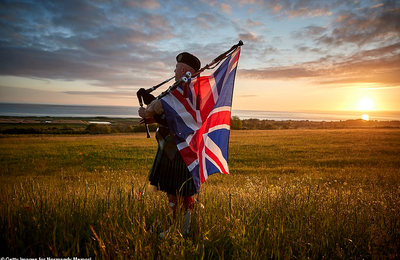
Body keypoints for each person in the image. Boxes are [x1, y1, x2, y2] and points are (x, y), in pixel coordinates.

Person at [138, 52, 201, 238]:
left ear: (183, 70)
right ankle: (180, 226)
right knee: (174, 191)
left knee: (178, 191)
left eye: (176, 68)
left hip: (178, 148)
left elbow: (162, 107)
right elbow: (170, 116)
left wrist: (146, 111)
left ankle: (181, 229)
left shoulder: (184, 90)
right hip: (172, 147)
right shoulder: (184, 89)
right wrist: (154, 119)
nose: (174, 71)